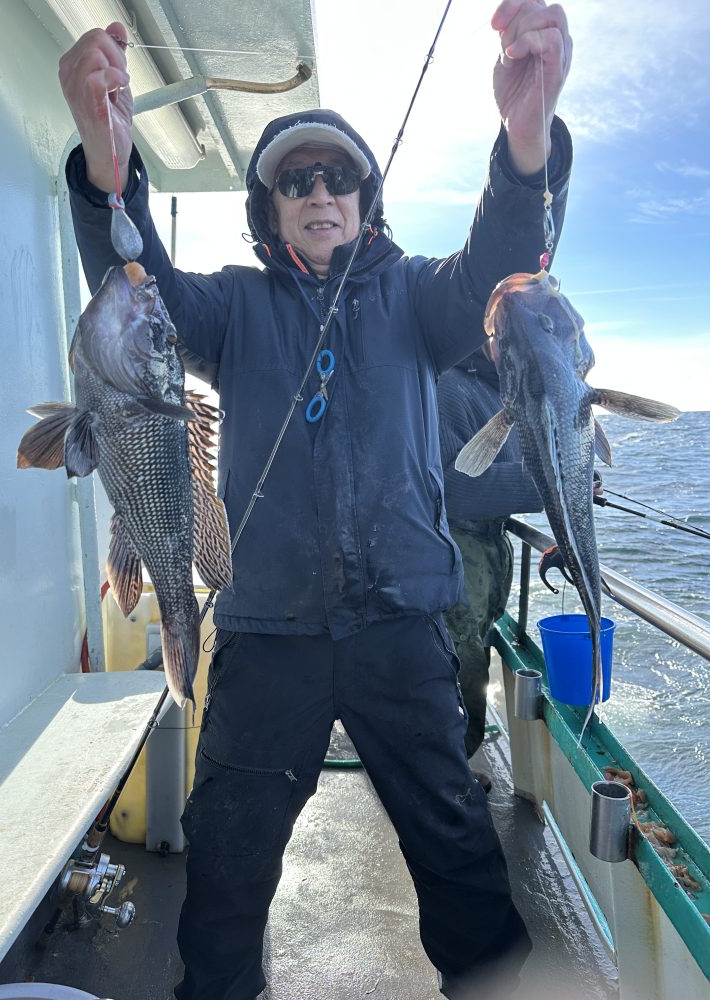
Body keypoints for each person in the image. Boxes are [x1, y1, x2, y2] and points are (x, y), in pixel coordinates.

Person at [58, 2, 573, 997]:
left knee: (462, 862)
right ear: (270, 207)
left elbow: (499, 256)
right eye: (296, 179)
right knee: (225, 875)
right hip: (264, 638)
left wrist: (525, 133)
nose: (320, 190)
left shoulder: (422, 297)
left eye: (339, 175)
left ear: (365, 198)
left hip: (402, 633)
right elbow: (136, 286)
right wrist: (103, 162)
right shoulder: (230, 308)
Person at [438, 350, 543, 786]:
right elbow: (453, 486)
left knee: (477, 646)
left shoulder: (502, 391)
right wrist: (544, 484)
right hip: (459, 545)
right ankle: (449, 774)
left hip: (492, 544)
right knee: (461, 658)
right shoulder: (447, 385)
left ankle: (454, 763)